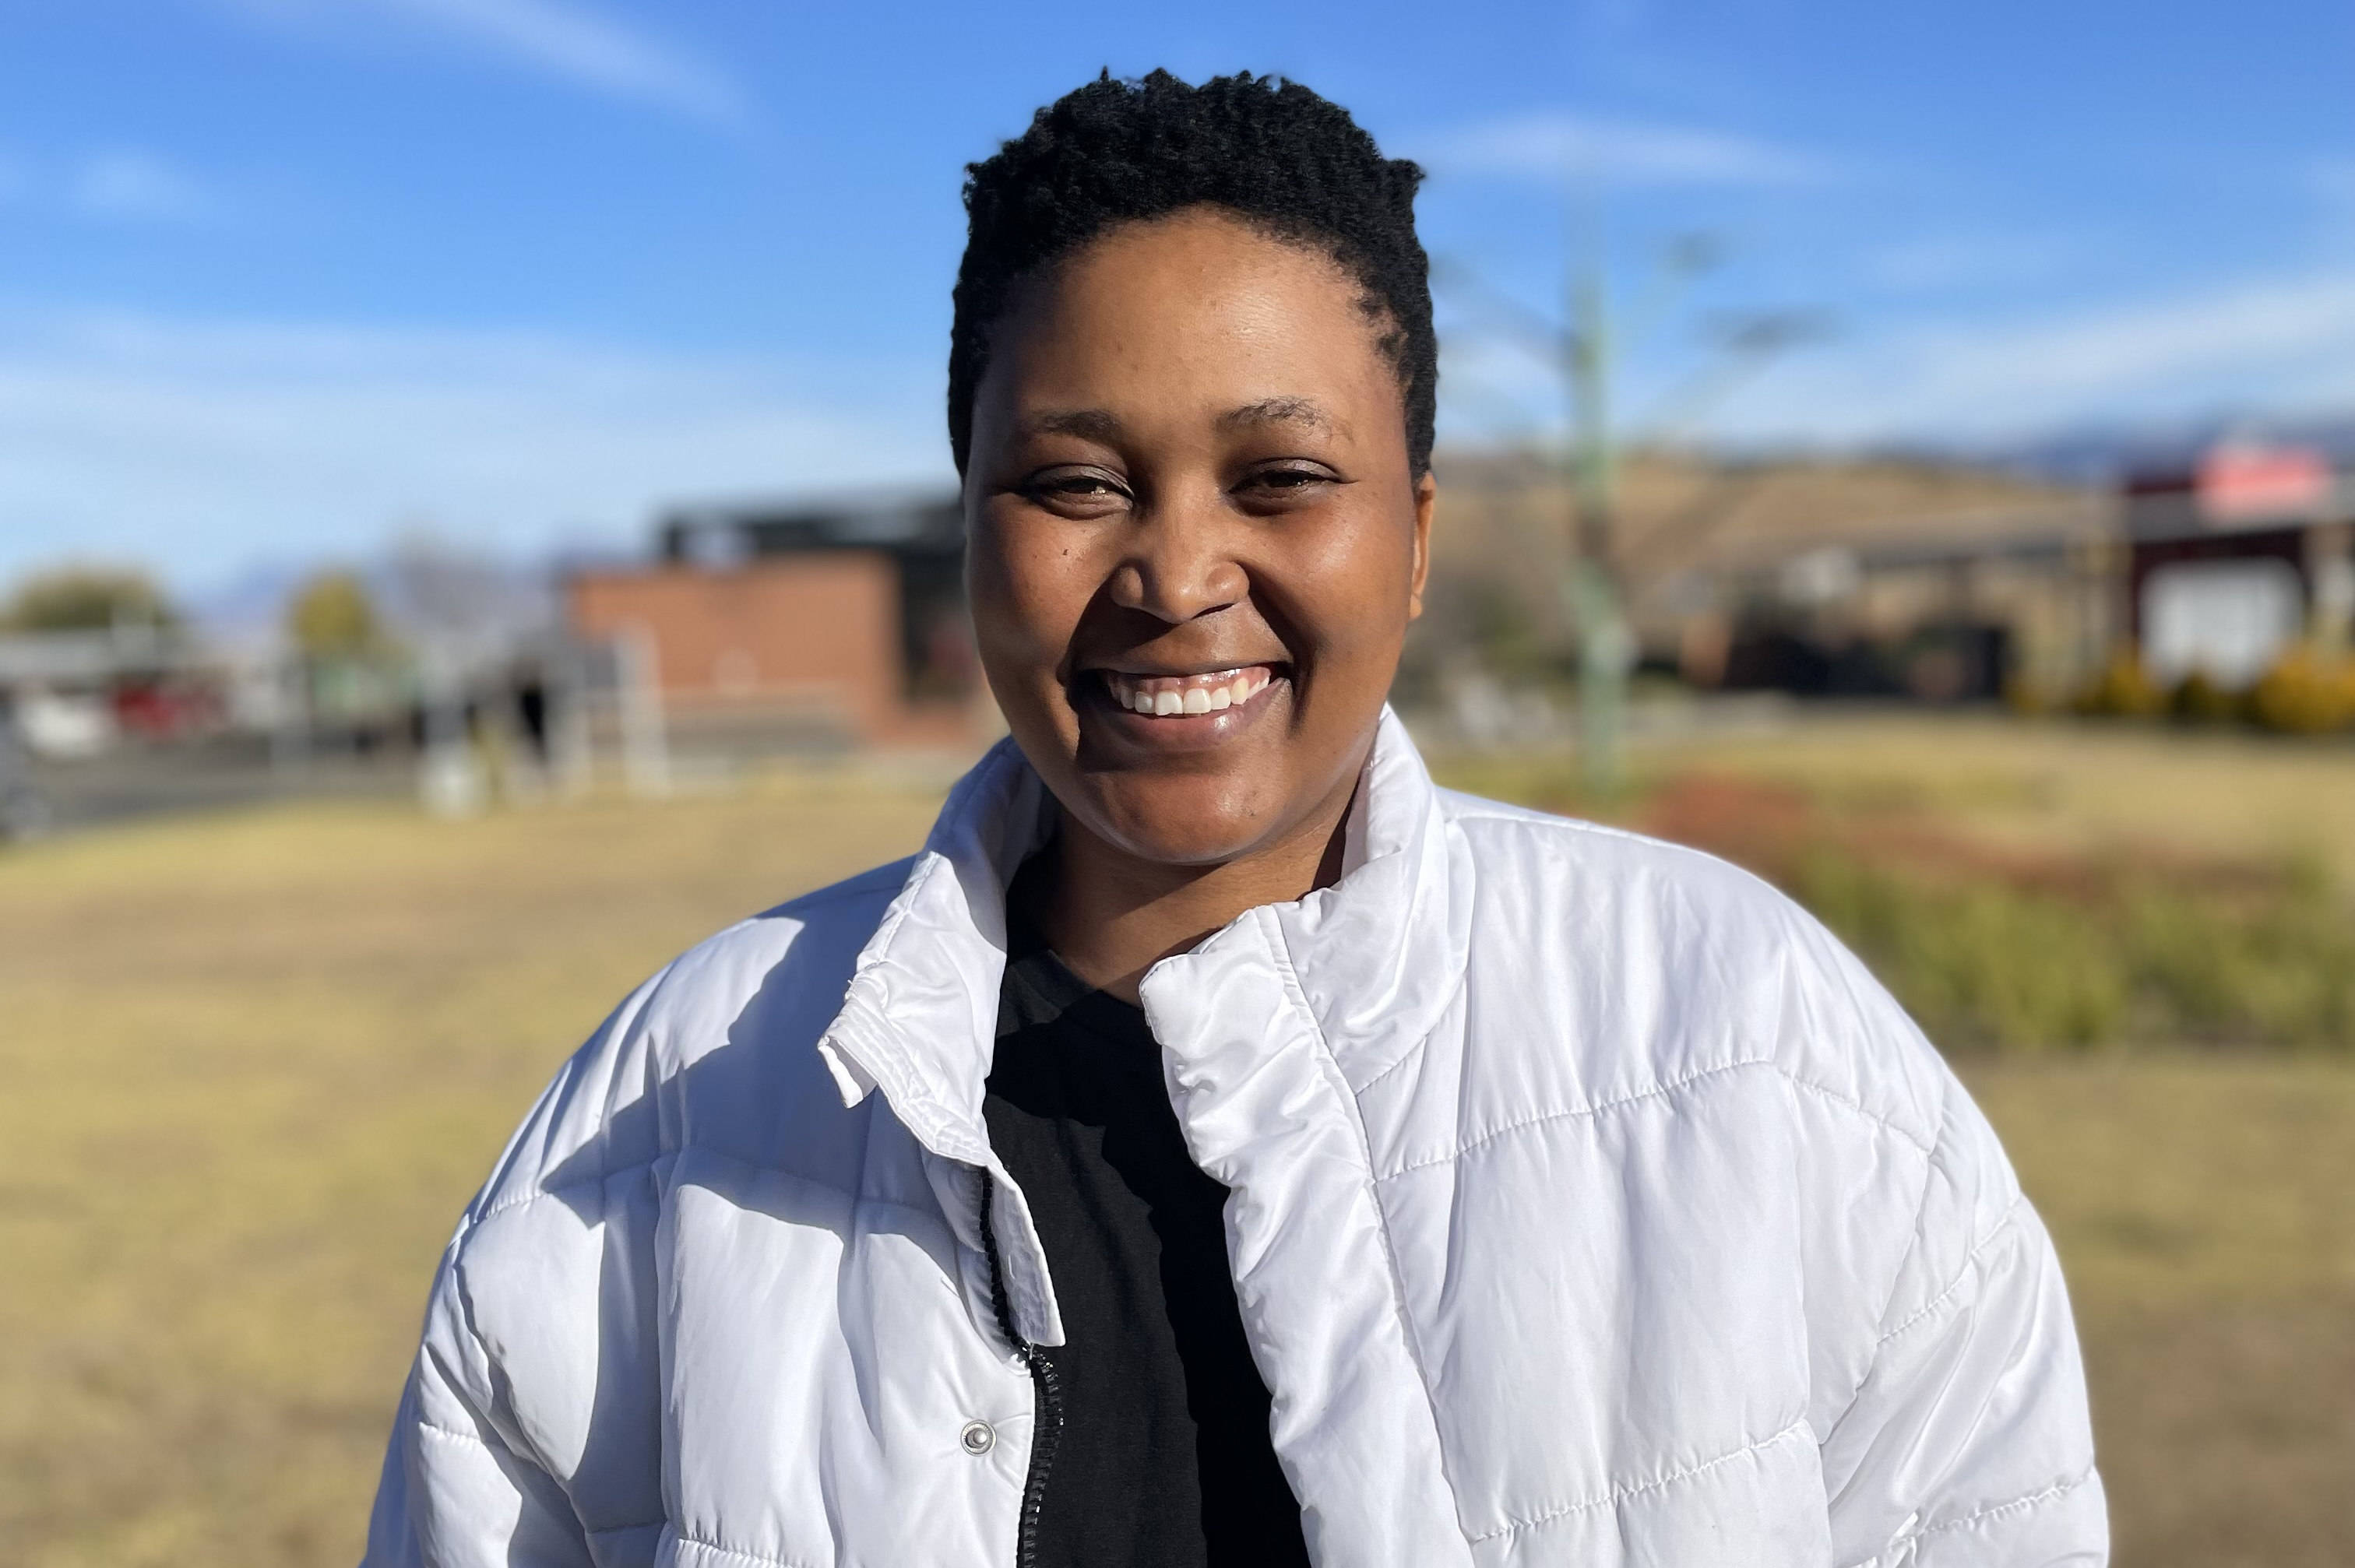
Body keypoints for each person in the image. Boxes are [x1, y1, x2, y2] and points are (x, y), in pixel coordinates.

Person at [364, 71, 2104, 1568]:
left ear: (1415, 537)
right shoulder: (668, 1121)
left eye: (1281, 479)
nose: (1178, 574)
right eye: (1075, 482)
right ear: (970, 528)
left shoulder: (1754, 1048)